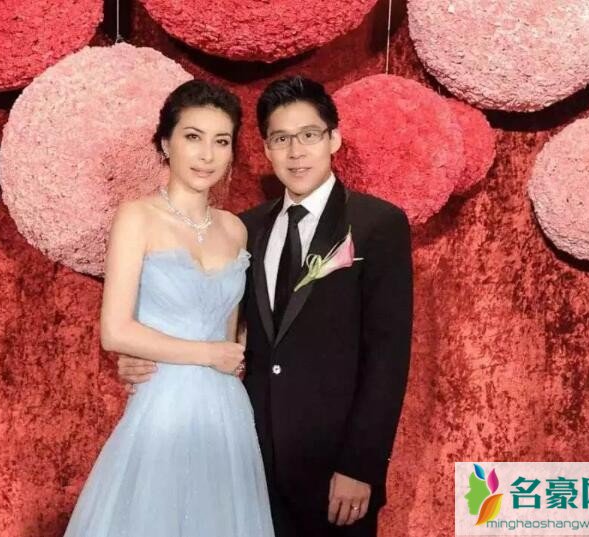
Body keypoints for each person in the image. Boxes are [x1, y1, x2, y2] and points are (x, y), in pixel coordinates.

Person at [119, 75, 413, 537]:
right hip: (246, 457)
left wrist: (361, 464)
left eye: (309, 135)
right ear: (266, 149)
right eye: (281, 138)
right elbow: (224, 324)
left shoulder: (377, 224)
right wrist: (143, 355)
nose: (296, 152)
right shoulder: (246, 229)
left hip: (333, 469)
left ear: (334, 139)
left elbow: (388, 357)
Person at [63, 79, 274, 537]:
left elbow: (230, 331)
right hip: (163, 407)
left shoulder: (235, 230)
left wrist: (230, 350)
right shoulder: (136, 217)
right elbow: (115, 331)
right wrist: (208, 354)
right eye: (193, 137)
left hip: (226, 411)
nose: (207, 155)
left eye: (221, 141)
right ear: (165, 143)